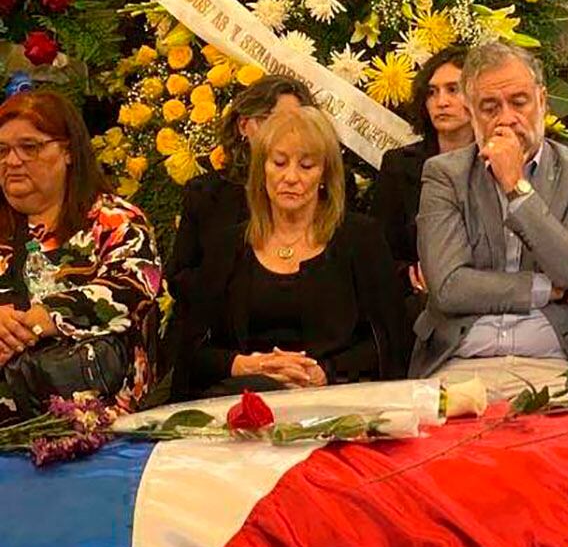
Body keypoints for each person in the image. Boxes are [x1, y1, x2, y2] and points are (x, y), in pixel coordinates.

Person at [411, 42, 568, 393]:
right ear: (472, 115)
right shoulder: (443, 175)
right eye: (490, 107)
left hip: (555, 364)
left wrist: (516, 186)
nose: (506, 118)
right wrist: (552, 291)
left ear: (543, 102)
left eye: (519, 102)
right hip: (459, 364)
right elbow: (449, 289)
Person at [173, 107, 402, 396]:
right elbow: (193, 352)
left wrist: (324, 372)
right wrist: (246, 365)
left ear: (325, 175)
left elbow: (389, 340)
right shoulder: (227, 246)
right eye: (279, 163)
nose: (291, 177)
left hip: (336, 399)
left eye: (306, 166)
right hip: (241, 397)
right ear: (262, 171)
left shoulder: (361, 238)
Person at [0, 89, 162, 419]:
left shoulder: (115, 220)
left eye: (29, 147)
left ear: (69, 151)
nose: (12, 161)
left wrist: (34, 322)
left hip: (101, 418)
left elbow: (132, 288)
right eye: (2, 150)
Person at [167, 74, 315, 304]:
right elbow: (179, 278)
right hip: (218, 326)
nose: (280, 133)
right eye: (269, 120)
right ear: (243, 126)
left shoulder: (323, 188)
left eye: (292, 123)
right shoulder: (206, 193)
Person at [372, 47, 473, 303]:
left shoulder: (497, 160)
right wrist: (411, 274)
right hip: (417, 300)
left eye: (453, 89)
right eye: (432, 92)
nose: (441, 102)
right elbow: (381, 251)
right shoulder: (398, 165)